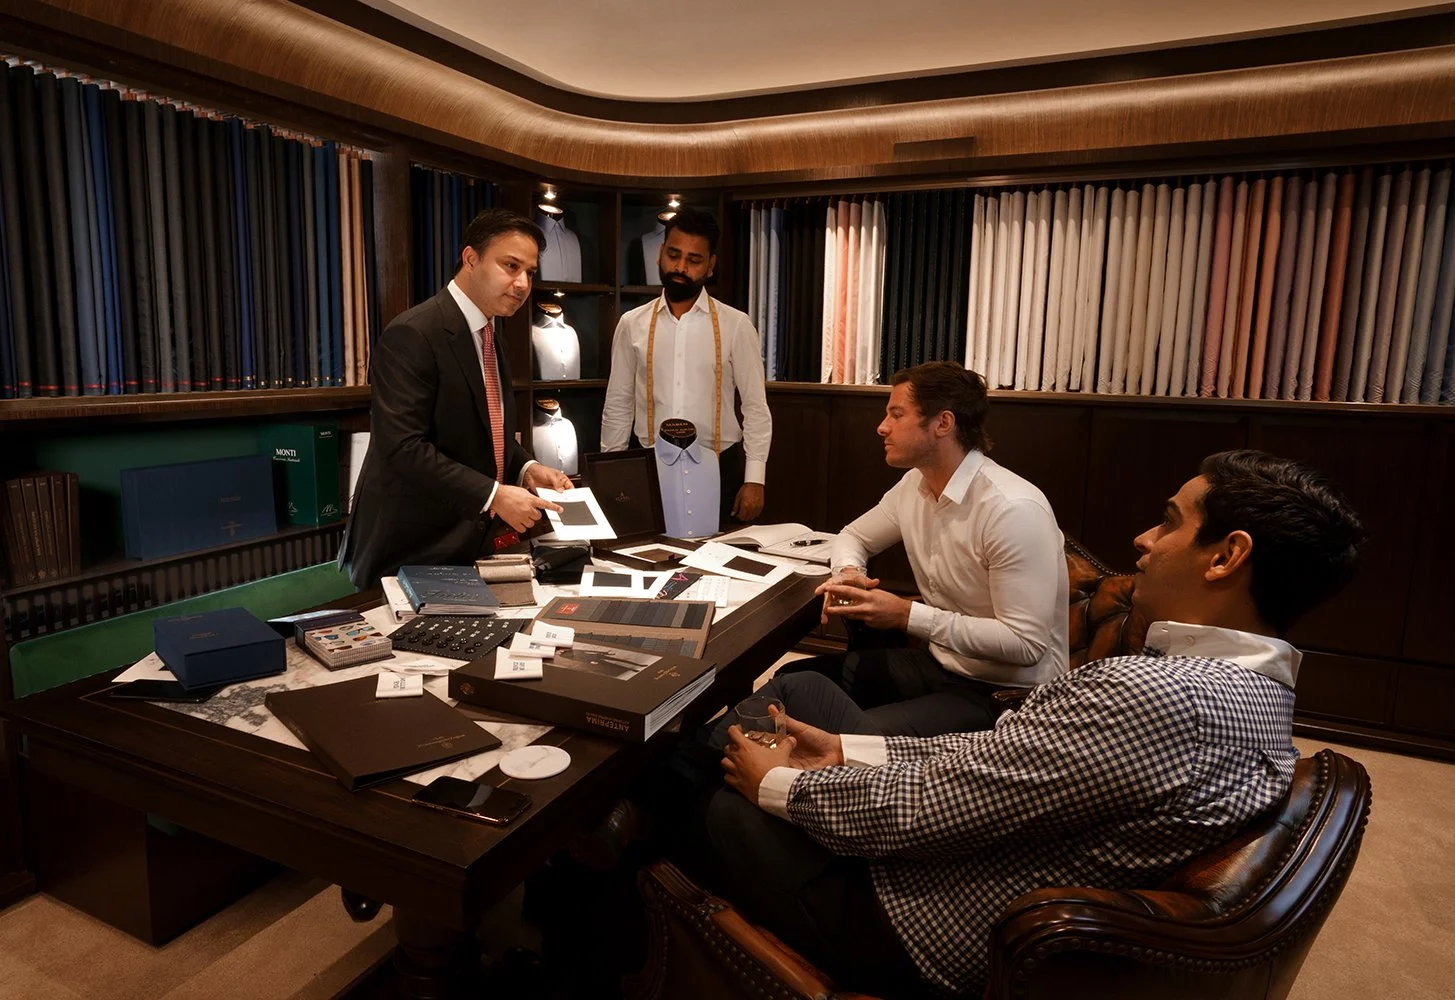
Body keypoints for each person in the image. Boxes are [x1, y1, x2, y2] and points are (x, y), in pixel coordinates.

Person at [687, 449, 1363, 999]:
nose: (1144, 540)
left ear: (1225, 556)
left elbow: (931, 810)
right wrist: (845, 751)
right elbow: (999, 762)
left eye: (1169, 523)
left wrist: (779, 785)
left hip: (924, 924)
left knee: (724, 805)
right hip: (978, 823)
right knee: (804, 691)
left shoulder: (1161, 696)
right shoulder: (1258, 693)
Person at [789, 361, 1068, 736]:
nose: (882, 427)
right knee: (794, 685)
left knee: (850, 736)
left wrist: (906, 615)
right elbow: (853, 536)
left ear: (942, 423)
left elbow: (1025, 644)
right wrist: (849, 574)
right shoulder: (914, 485)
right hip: (941, 663)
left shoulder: (1012, 509)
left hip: (1007, 695)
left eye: (896, 414)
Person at [340, 209, 573, 589]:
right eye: (510, 266)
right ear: (470, 259)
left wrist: (527, 468)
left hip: (466, 545)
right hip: (409, 548)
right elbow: (402, 448)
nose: (522, 283)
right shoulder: (413, 333)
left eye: (530, 272)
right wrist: (495, 496)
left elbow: (486, 431)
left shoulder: (491, 335)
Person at [600, 207, 771, 526]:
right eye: (673, 255)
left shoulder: (736, 325)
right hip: (650, 464)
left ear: (710, 266)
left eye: (694, 260)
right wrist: (615, 472)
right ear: (660, 253)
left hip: (719, 464)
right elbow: (618, 403)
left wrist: (755, 478)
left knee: (717, 552)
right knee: (649, 550)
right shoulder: (632, 323)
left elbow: (755, 406)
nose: (680, 267)